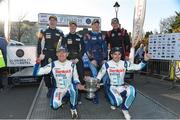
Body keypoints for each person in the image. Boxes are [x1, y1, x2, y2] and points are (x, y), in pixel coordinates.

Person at [96, 47, 149, 120]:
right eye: (115, 54)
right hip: (112, 87)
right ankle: (113, 101)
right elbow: (99, 75)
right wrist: (97, 82)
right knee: (117, 102)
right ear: (111, 55)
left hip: (122, 86)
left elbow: (138, 67)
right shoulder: (107, 64)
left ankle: (125, 109)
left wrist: (145, 60)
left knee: (132, 91)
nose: (117, 56)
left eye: (119, 54)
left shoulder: (125, 63)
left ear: (121, 55)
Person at [33, 46, 85, 119]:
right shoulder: (53, 64)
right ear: (56, 54)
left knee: (74, 89)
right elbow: (36, 73)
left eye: (64, 52)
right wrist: (38, 61)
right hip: (59, 88)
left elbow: (76, 78)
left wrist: (78, 84)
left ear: (67, 54)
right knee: (54, 106)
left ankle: (73, 109)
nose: (61, 54)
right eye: (59, 52)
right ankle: (62, 99)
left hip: (69, 87)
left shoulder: (72, 64)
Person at [37, 15, 64, 98]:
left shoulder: (60, 32)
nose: (52, 22)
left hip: (56, 55)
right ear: (49, 22)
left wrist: (62, 54)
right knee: (46, 73)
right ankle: (49, 88)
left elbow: (63, 44)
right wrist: (39, 54)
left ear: (56, 22)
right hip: (45, 54)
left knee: (56, 71)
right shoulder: (42, 31)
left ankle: (55, 88)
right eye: (51, 20)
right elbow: (38, 44)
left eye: (54, 20)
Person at [83, 19, 108, 104]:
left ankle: (107, 92)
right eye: (95, 25)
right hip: (92, 59)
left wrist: (105, 59)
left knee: (105, 73)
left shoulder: (103, 36)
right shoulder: (88, 35)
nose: (96, 26)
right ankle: (94, 95)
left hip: (101, 58)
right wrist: (91, 59)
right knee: (94, 74)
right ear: (92, 26)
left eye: (98, 25)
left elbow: (105, 48)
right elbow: (87, 48)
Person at [61, 21, 85, 104]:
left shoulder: (79, 36)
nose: (73, 28)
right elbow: (63, 49)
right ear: (69, 27)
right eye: (71, 26)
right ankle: (66, 96)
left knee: (80, 77)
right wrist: (68, 59)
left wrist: (78, 58)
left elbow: (83, 48)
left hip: (78, 59)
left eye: (74, 27)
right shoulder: (65, 37)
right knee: (67, 78)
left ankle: (78, 97)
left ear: (76, 28)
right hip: (68, 60)